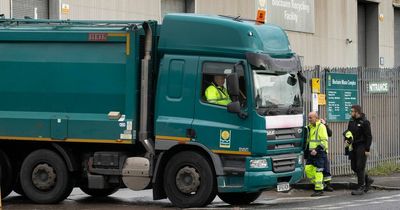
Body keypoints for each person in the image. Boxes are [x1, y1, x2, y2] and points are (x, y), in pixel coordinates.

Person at [347, 104, 374, 195]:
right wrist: (347, 139)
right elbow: (348, 132)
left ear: (357, 112)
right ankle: (368, 179)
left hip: (362, 146)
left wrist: (367, 149)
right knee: (354, 167)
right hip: (353, 146)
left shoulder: (365, 122)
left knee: (360, 166)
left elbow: (369, 137)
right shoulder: (351, 121)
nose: (351, 113)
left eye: (352, 111)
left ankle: (361, 187)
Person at [304, 112, 329, 196]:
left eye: (311, 118)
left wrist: (317, 150)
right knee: (307, 169)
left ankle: (319, 189)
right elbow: (308, 141)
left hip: (319, 153)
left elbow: (324, 141)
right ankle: (319, 184)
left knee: (318, 171)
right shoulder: (309, 127)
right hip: (311, 153)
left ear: (316, 118)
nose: (309, 119)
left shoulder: (321, 127)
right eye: (308, 118)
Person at [320, 118, 333, 192]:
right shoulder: (312, 127)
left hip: (323, 151)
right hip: (314, 151)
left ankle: (327, 185)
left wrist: (325, 125)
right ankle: (319, 185)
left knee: (326, 168)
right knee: (318, 169)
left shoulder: (322, 126)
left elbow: (330, 133)